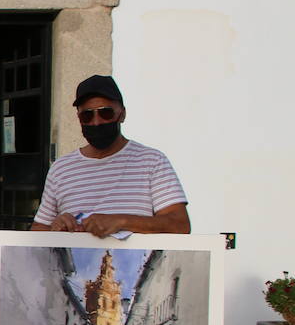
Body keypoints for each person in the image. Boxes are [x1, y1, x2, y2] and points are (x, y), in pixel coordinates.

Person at [32, 74, 190, 236]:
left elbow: (180, 224)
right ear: (79, 118)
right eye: (87, 115)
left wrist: (122, 221)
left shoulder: (152, 161)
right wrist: (56, 228)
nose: (96, 122)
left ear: (122, 114)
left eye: (106, 113)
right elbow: (38, 231)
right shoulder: (61, 168)